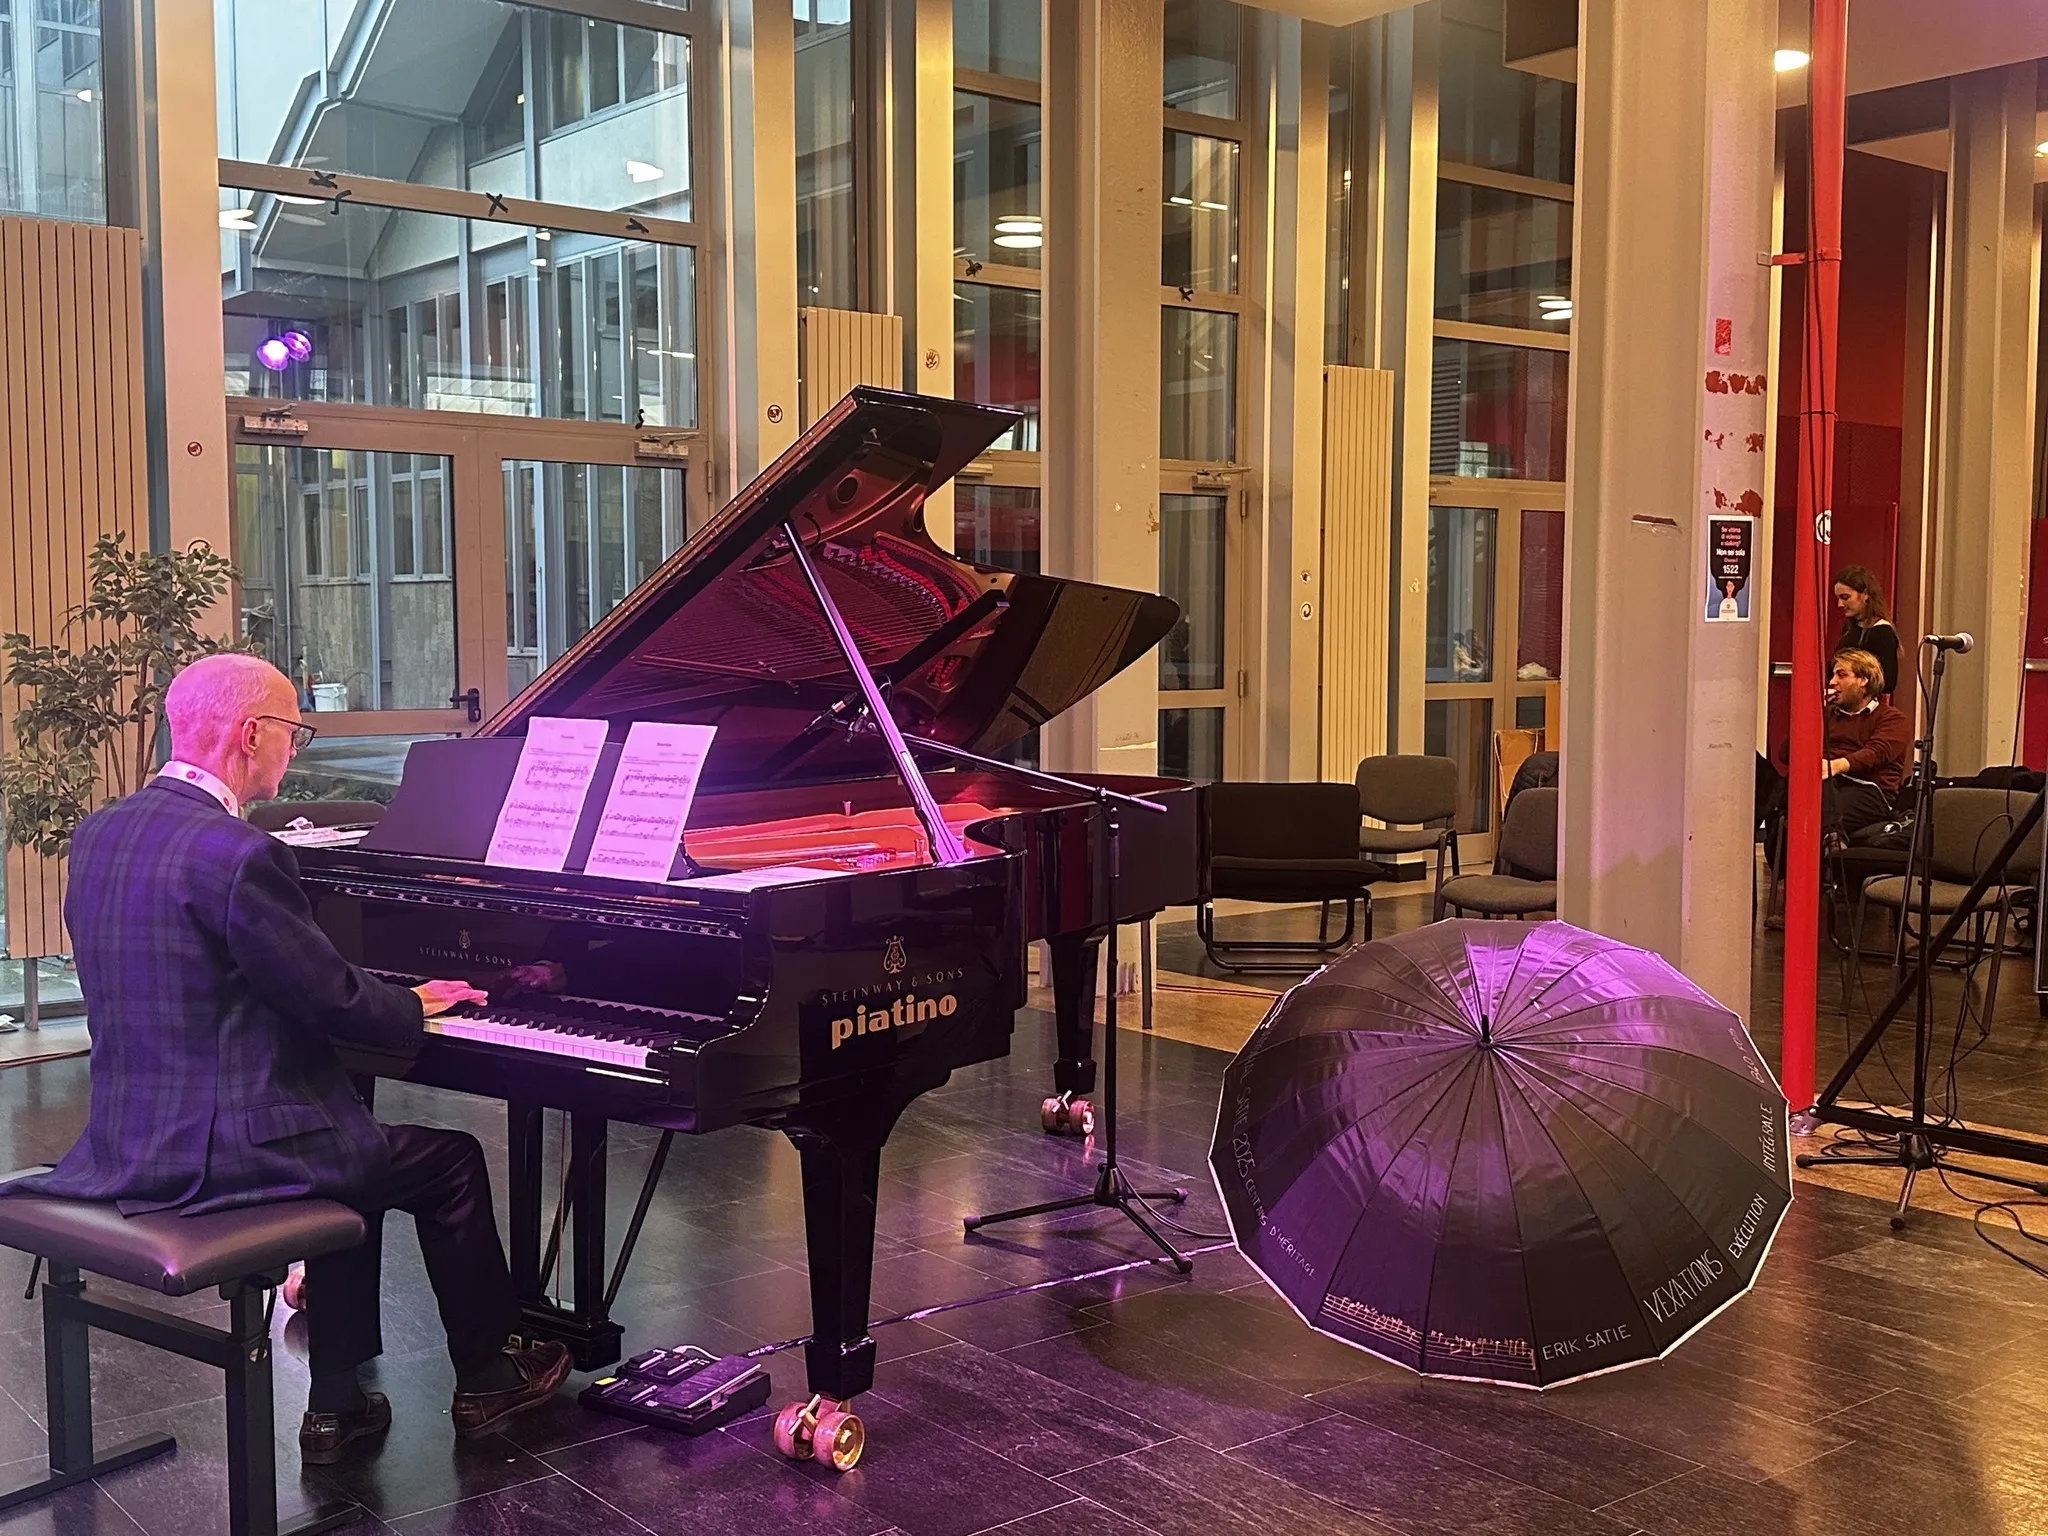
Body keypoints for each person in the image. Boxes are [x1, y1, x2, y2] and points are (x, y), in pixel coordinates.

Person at [7, 654, 570, 1466]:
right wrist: (415, 1002)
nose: (294, 749)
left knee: (352, 1144)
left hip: (127, 1139)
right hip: (226, 1151)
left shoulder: (104, 831)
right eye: (293, 731)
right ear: (250, 734)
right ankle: (487, 1377)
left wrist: (371, 994)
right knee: (446, 1161)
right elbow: (331, 998)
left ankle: (338, 1404)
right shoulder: (239, 854)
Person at [1819, 648, 1911, 839]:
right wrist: (1813, 711)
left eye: (1841, 675)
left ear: (1863, 680)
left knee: (1821, 803)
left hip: (1868, 790)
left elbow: (1876, 753)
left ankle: (1831, 842)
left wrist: (1834, 766)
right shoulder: (1826, 715)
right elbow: (1786, 753)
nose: (1832, 682)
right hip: (1825, 781)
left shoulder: (1891, 718)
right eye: (1833, 675)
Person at [1833, 565, 1900, 698]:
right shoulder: (1849, 628)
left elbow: (1889, 682)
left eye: (1845, 597)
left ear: (1865, 595)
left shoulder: (1883, 632)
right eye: (1838, 598)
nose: (1840, 604)